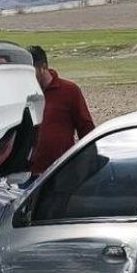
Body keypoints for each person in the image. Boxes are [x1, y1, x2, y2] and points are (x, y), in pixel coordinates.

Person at [26, 45, 95, 177]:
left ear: (43, 67)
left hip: (61, 172)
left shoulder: (69, 91)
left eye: (31, 72)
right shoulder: (24, 94)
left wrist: (89, 166)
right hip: (27, 175)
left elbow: (86, 128)